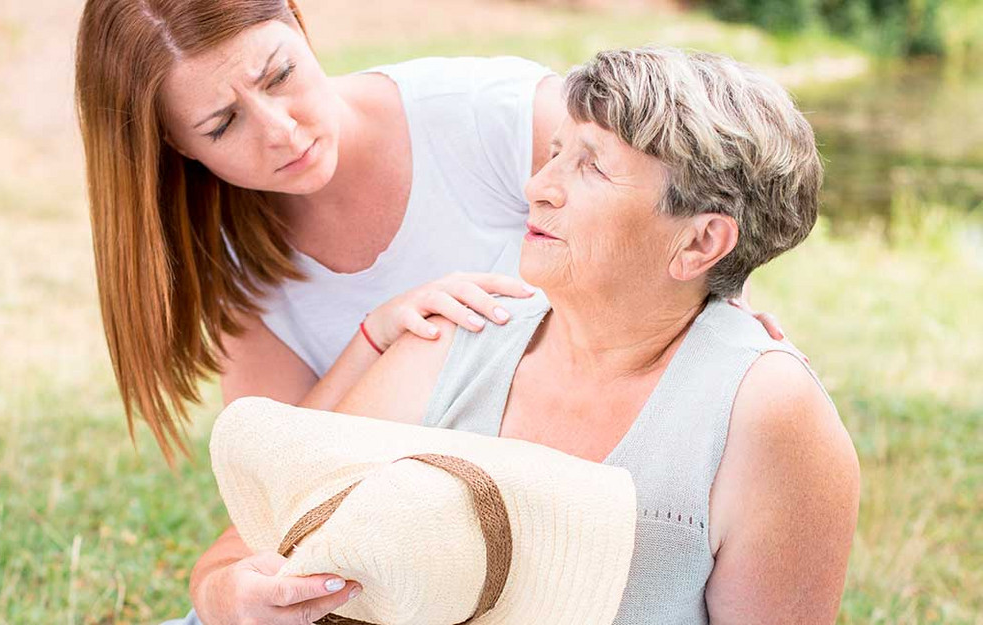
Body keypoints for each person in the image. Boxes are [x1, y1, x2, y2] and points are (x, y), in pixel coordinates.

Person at [74, 1, 791, 622]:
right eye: (224, 123)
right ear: (174, 143)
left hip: (544, 535)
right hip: (407, 565)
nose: (282, 131)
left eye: (279, 76)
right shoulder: (231, 258)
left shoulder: (488, 117)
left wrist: (723, 326)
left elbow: (679, 208)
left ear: (297, 20)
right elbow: (277, 493)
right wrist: (373, 338)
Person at [335, 48, 861, 624]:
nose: (538, 186)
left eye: (592, 167)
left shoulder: (767, 412)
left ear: (699, 244)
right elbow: (293, 537)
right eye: (555, 152)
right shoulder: (454, 336)